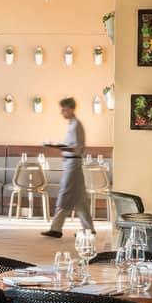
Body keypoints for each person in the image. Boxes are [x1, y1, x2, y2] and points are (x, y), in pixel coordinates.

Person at [41, 96, 95, 238]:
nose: (62, 113)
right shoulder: (72, 124)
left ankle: (56, 229)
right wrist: (61, 147)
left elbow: (76, 148)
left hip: (73, 164)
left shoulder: (76, 125)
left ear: (70, 109)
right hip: (72, 163)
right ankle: (89, 229)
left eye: (64, 110)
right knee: (80, 199)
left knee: (65, 194)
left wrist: (56, 147)